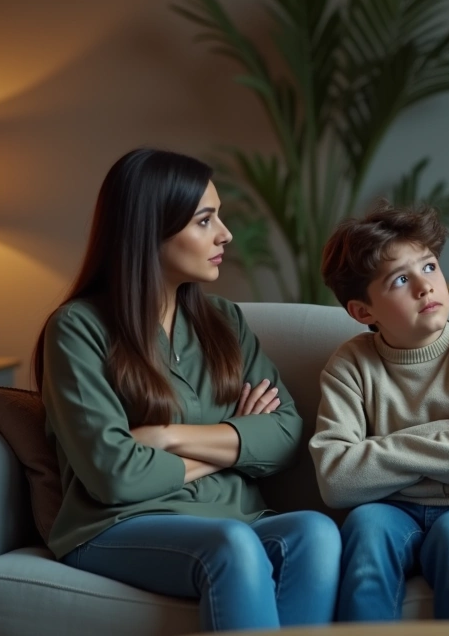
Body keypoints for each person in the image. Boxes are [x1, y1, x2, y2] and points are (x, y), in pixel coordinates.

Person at [35, 148, 340, 632]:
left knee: (316, 532)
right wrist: (233, 443)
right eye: (205, 220)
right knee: (232, 545)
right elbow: (115, 476)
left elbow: (284, 435)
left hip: (232, 515)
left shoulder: (224, 320)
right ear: (149, 229)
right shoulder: (77, 328)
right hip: (117, 524)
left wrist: (166, 437)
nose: (225, 234)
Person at [310, 206, 449, 621]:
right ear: (364, 312)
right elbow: (335, 480)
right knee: (366, 528)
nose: (424, 286)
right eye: (401, 279)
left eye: (430, 266)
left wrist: (376, 450)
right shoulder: (349, 366)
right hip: (393, 510)